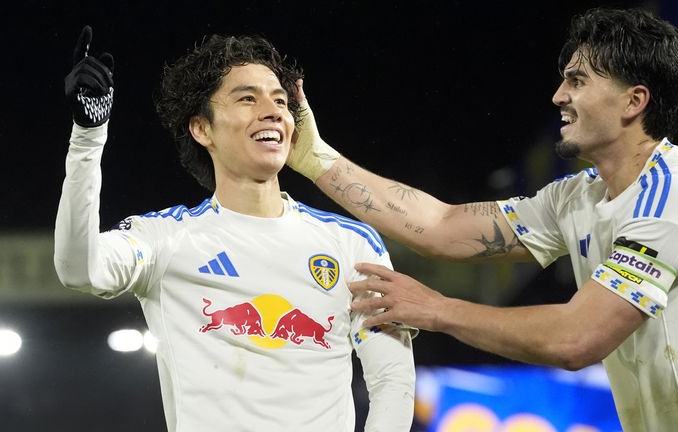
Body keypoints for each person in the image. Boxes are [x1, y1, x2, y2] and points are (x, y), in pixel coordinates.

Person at [287, 7, 678, 432]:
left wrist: (438, 309)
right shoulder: (577, 197)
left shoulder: (675, 198)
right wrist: (315, 158)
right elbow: (442, 226)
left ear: (633, 101)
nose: (559, 95)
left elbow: (576, 339)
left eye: (578, 81)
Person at [53, 26, 415, 432]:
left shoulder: (352, 244)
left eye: (280, 100)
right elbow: (79, 269)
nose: (272, 110)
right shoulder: (164, 239)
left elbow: (392, 379)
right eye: (247, 98)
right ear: (202, 128)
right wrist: (88, 138)